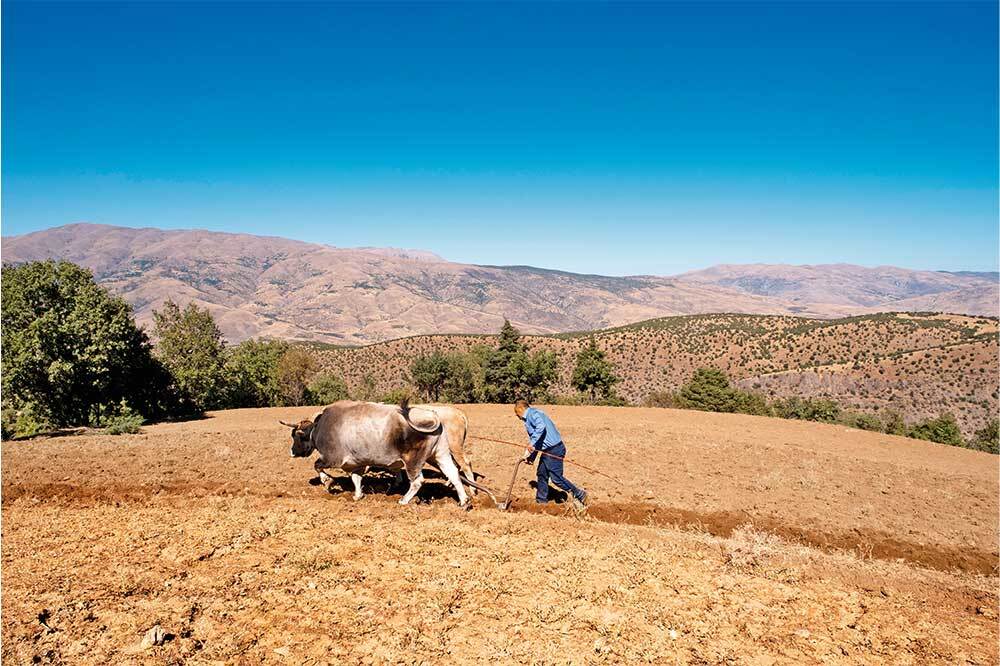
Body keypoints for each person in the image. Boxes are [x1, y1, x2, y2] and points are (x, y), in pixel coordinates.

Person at [514, 399, 587, 509]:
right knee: (542, 473)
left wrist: (531, 443)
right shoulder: (531, 417)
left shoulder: (533, 414)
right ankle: (541, 501)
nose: (516, 416)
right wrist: (532, 457)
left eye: (516, 413)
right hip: (547, 450)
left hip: (554, 449)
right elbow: (539, 440)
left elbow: (541, 427)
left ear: (520, 409)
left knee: (556, 478)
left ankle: (579, 493)